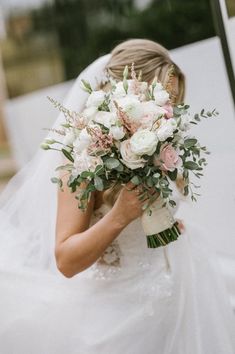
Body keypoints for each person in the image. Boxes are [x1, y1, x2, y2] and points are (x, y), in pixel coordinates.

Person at [0, 39, 234, 354]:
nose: (169, 116)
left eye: (173, 106)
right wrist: (120, 216)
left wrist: (167, 226)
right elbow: (65, 260)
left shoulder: (163, 148)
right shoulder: (80, 164)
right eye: (164, 104)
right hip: (122, 316)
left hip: (183, 290)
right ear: (128, 99)